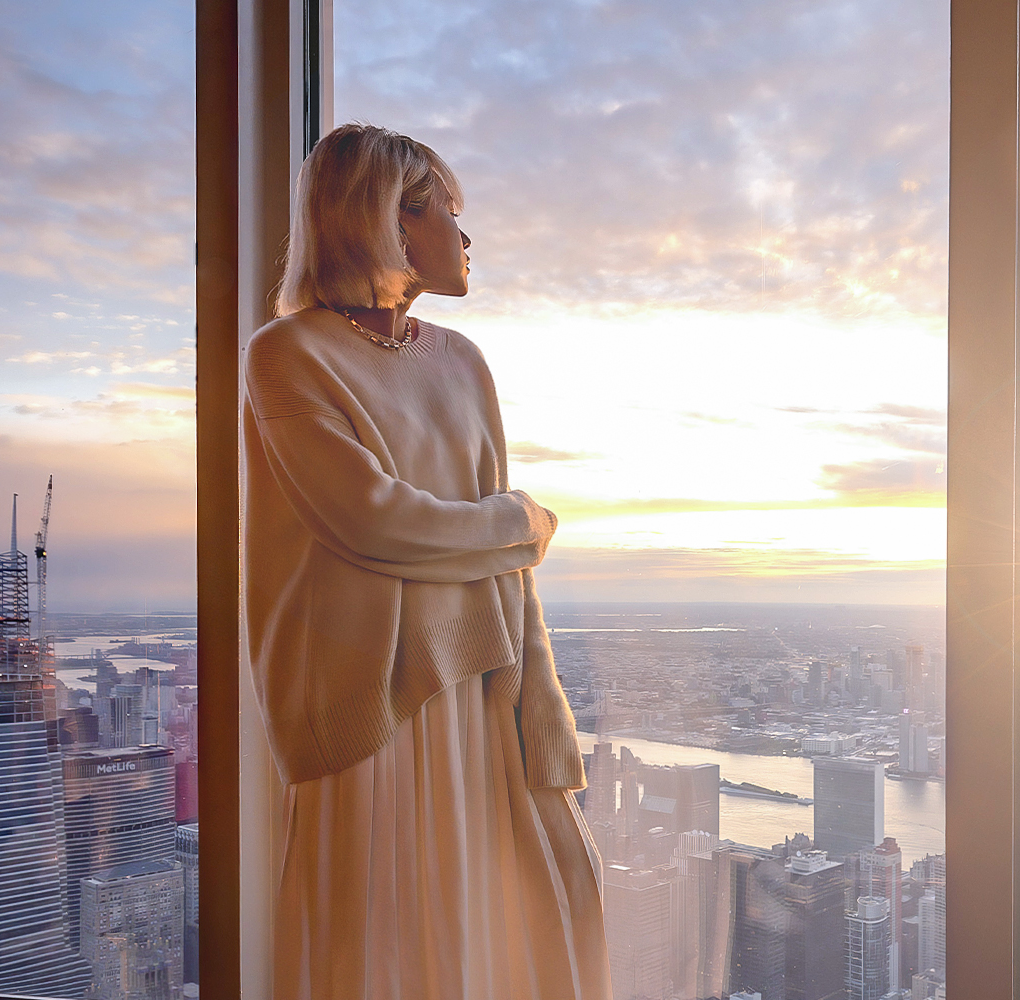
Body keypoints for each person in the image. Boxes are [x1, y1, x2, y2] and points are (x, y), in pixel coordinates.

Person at [242, 123, 610, 999]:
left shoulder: (465, 362)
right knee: (378, 941)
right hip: (369, 697)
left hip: (483, 681)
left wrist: (540, 700)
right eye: (449, 211)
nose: (466, 235)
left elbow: (497, 566)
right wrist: (516, 521)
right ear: (389, 224)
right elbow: (371, 522)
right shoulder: (286, 356)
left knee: (511, 926)